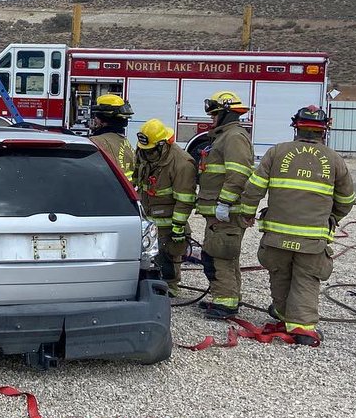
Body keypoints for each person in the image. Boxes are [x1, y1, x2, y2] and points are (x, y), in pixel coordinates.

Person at [237, 106, 356, 346]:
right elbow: (346, 200)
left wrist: (247, 213)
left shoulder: (277, 152)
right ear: (324, 131)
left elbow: (254, 188)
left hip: (277, 235)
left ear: (296, 127)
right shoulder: (334, 160)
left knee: (280, 273)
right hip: (312, 240)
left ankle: (283, 315)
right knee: (306, 278)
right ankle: (301, 328)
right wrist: (331, 217)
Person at [195, 90, 255, 319]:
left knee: (219, 256)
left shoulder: (233, 137)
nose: (212, 119)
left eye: (215, 114)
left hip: (226, 212)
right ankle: (227, 298)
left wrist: (224, 203)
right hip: (220, 212)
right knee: (222, 255)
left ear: (226, 114)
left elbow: (238, 174)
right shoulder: (225, 136)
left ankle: (225, 303)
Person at [134, 119, 197, 297]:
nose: (146, 154)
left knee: (168, 253)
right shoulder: (144, 152)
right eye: (144, 150)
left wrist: (178, 227)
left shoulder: (182, 163)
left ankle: (170, 286)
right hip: (148, 214)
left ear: (163, 145)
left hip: (168, 220)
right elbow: (137, 179)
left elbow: (185, 199)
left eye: (151, 151)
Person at [89, 93, 135, 183]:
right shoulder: (123, 140)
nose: (95, 120)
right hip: (125, 189)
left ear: (103, 120)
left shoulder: (97, 142)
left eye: (96, 117)